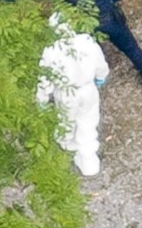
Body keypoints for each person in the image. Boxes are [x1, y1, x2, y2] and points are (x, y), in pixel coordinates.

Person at [36, 14, 109, 176]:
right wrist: (101, 77)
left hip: (66, 93)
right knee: (88, 119)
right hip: (88, 89)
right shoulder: (87, 41)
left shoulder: (51, 51)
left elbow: (45, 78)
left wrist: (42, 98)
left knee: (66, 120)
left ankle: (68, 145)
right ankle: (88, 158)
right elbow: (100, 62)